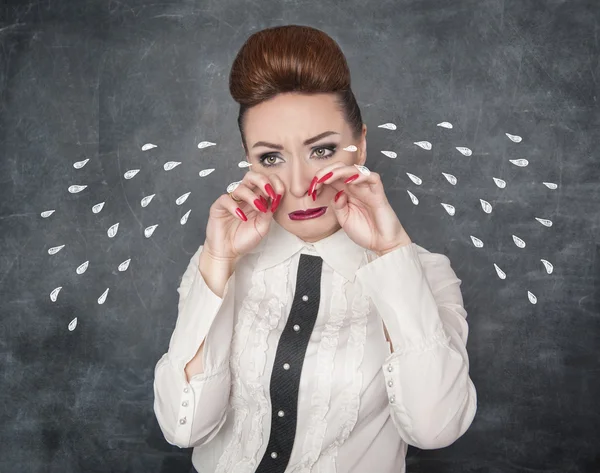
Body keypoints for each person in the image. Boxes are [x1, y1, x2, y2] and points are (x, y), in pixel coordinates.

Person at [153, 24, 477, 473]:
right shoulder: (217, 263)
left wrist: (391, 252)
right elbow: (183, 429)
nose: (302, 187)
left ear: (360, 145)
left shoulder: (426, 273)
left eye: (322, 150)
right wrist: (217, 264)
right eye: (271, 157)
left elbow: (434, 428)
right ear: (249, 161)